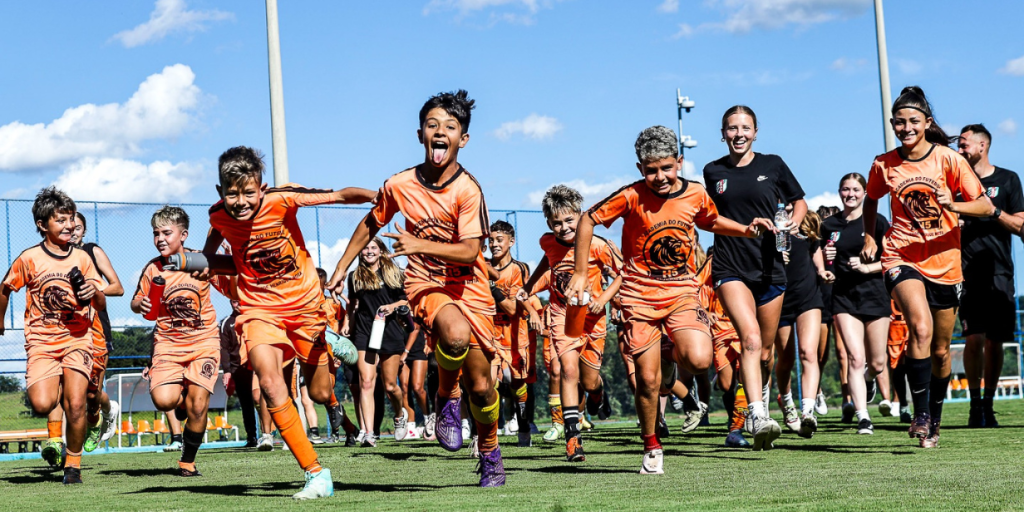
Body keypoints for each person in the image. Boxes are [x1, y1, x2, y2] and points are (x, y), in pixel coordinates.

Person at [328, 90, 506, 487]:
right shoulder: (400, 184)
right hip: (426, 283)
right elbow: (371, 223)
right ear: (420, 134)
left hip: (471, 287)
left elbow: (470, 250)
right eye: (432, 125)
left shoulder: (468, 190)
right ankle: (446, 397)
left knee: (482, 386)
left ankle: (491, 453)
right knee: (455, 337)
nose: (440, 132)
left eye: (450, 127)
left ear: (464, 139)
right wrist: (342, 267)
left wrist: (418, 244)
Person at [570, 125, 773, 472]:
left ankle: (668, 354)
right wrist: (578, 273)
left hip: (680, 291)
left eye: (666, 168)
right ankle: (651, 446)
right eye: (651, 170)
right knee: (647, 381)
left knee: (698, 359)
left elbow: (711, 220)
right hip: (638, 295)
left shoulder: (694, 194)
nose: (660, 177)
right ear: (640, 169)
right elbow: (587, 220)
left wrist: (744, 229)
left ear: (679, 162)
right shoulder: (631, 195)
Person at [200, 146, 376, 498]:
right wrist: (192, 262)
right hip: (259, 309)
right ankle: (316, 473)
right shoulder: (218, 217)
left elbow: (341, 195)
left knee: (320, 392)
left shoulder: (283, 200)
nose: (240, 200)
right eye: (232, 193)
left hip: (306, 307)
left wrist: (385, 197)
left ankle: (325, 337)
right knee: (268, 380)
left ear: (262, 188)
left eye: (248, 191)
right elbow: (214, 259)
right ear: (220, 192)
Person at [862, 86, 992, 448]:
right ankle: (919, 415)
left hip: (946, 262)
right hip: (901, 256)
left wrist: (954, 205)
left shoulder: (949, 160)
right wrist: (870, 237)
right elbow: (871, 200)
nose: (906, 127)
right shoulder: (883, 164)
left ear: (926, 123)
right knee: (918, 326)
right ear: (892, 124)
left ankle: (934, 420)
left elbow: (983, 206)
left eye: (913, 121)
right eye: (899, 122)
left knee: (939, 350)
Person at [703, 106, 807, 450]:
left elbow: (799, 201)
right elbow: (711, 218)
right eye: (732, 128)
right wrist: (746, 229)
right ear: (723, 133)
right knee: (748, 339)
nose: (739, 134)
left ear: (756, 132)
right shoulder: (712, 171)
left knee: (765, 352)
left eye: (745, 128)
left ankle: (763, 402)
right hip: (730, 267)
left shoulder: (773, 164)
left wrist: (791, 223)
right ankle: (758, 415)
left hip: (771, 267)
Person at [0, 187, 106, 484]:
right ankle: (57, 380)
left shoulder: (83, 258)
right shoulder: (29, 258)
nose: (69, 225)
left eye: (71, 219)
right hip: (42, 342)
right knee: (43, 404)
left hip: (78, 339)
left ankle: (73, 466)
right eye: (60, 220)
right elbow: (5, 287)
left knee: (75, 403)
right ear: (42, 224)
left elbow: (101, 303)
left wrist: (94, 293)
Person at [520, 184, 621, 464]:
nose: (563, 227)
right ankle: (572, 439)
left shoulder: (598, 245)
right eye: (556, 223)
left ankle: (599, 393)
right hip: (561, 314)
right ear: (548, 223)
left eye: (569, 221)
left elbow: (623, 274)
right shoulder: (547, 241)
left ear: (580, 216)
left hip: (593, 318)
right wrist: (529, 286)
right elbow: (547, 261)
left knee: (588, 381)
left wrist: (605, 300)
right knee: (567, 370)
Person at [132, 206, 236, 477]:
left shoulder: (201, 261)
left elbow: (232, 287)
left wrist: (229, 263)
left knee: (199, 405)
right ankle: (179, 403)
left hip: (204, 342)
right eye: (156, 233)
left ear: (184, 235)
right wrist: (138, 304)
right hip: (168, 344)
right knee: (164, 401)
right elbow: (136, 301)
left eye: (167, 232)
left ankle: (187, 462)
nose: (160, 239)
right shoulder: (152, 268)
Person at [957, 123, 1024, 428]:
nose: (960, 149)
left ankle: (989, 405)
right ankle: (973, 405)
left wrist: (992, 211)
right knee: (973, 338)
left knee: (995, 341)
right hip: (965, 273)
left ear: (982, 146)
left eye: (964, 144)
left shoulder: (1008, 180)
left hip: (999, 273)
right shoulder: (955, 181)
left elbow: (1021, 226)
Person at [823, 173, 893, 434]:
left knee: (876, 363)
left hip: (875, 296)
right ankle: (863, 416)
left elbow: (891, 260)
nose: (850, 194)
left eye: (855, 189)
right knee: (854, 358)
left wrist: (867, 268)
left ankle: (868, 380)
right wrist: (827, 262)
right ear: (839, 192)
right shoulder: (829, 225)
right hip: (844, 298)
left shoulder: (877, 222)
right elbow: (824, 263)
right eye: (845, 189)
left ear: (864, 193)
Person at [342, 237, 409, 447]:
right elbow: (353, 304)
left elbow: (406, 299)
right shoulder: (355, 276)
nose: (369, 251)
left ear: (380, 250)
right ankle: (368, 433)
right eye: (365, 248)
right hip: (365, 332)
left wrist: (393, 306)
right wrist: (348, 325)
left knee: (390, 386)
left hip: (389, 331)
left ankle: (400, 414)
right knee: (366, 381)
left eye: (373, 248)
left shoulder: (394, 273)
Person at [70, 211, 124, 453]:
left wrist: (94, 288)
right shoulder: (54, 257)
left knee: (91, 396)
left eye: (77, 228)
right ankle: (64, 442)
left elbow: (118, 287)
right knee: (68, 390)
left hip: (96, 329)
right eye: (67, 227)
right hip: (67, 332)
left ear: (84, 230)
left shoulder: (93, 251)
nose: (72, 232)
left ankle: (106, 410)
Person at [488, 220, 540, 448]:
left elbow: (510, 308)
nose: (494, 244)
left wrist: (491, 289)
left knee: (519, 386)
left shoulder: (518, 269)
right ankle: (487, 437)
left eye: (499, 240)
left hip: (515, 336)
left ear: (511, 241)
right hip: (490, 335)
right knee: (488, 386)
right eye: (490, 240)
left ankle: (524, 427)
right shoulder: (483, 266)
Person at [773, 209, 825, 438]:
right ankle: (787, 402)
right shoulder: (770, 218)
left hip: (808, 296)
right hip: (780, 297)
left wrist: (823, 272)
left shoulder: (807, 219)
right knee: (784, 359)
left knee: (808, 352)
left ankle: (808, 412)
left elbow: (815, 250)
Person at [699, 247, 749, 447]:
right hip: (721, 333)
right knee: (728, 385)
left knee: (745, 378)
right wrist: (706, 312)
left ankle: (737, 427)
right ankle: (732, 411)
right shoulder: (711, 267)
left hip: (743, 331)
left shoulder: (747, 261)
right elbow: (696, 296)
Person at [219, 300, 259, 447]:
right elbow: (224, 349)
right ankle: (252, 437)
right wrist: (227, 371)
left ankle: (269, 433)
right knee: (247, 404)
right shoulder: (226, 323)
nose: (237, 305)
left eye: (239, 301)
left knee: (264, 399)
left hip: (257, 366)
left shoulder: (254, 318)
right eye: (234, 302)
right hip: (239, 370)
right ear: (230, 302)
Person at [814, 204, 842, 416]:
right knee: (820, 354)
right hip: (821, 302)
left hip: (841, 301)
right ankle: (816, 390)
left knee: (845, 353)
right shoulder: (815, 247)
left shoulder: (842, 243)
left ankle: (849, 400)